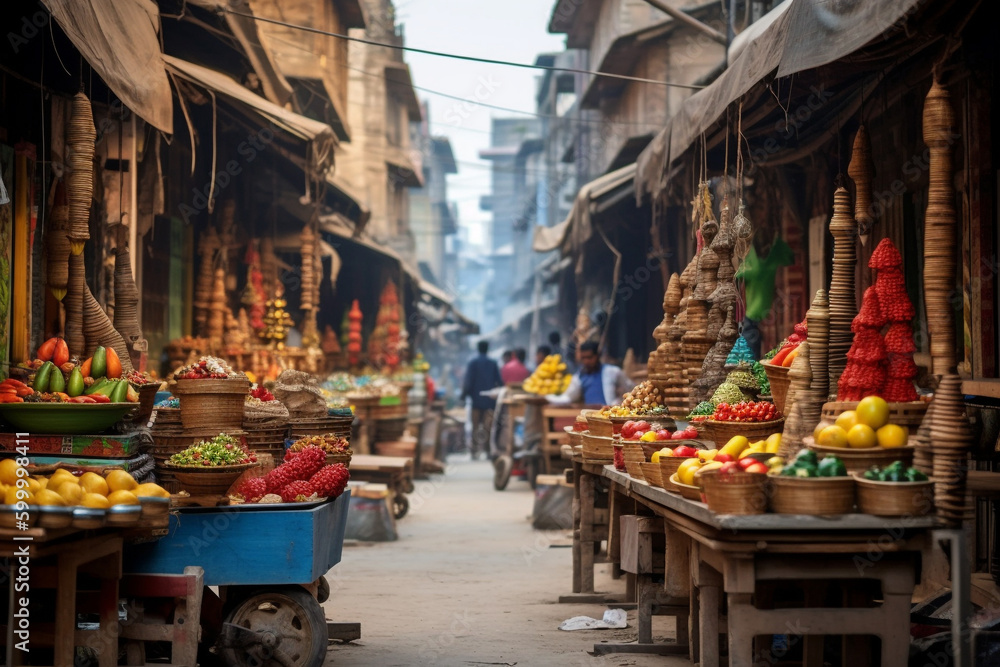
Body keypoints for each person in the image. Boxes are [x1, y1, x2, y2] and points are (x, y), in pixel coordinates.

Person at [549, 341, 631, 407]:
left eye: (589, 357)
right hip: (589, 415)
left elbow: (629, 389)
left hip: (609, 415)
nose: (586, 361)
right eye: (583, 358)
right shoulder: (579, 377)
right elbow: (568, 398)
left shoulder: (613, 372)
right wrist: (548, 399)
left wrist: (618, 400)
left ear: (597, 356)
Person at [461, 340, 502, 458]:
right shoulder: (493, 363)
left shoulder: (472, 363)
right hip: (490, 401)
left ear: (478, 349)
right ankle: (488, 451)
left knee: (475, 426)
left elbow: (468, 381)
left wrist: (464, 395)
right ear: (487, 349)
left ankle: (474, 452)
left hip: (476, 401)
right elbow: (499, 382)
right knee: (487, 427)